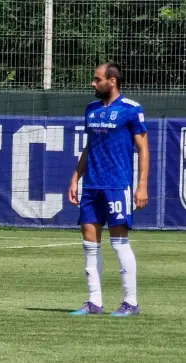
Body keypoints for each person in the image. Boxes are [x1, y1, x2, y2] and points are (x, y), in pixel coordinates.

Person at [68, 62, 149, 317]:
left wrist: (141, 185)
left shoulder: (130, 109)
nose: (93, 83)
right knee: (89, 244)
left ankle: (131, 303)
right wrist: (75, 178)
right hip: (92, 185)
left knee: (119, 243)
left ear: (112, 81)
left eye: (97, 79)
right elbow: (89, 146)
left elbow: (143, 149)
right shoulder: (90, 109)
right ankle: (94, 302)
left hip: (116, 186)